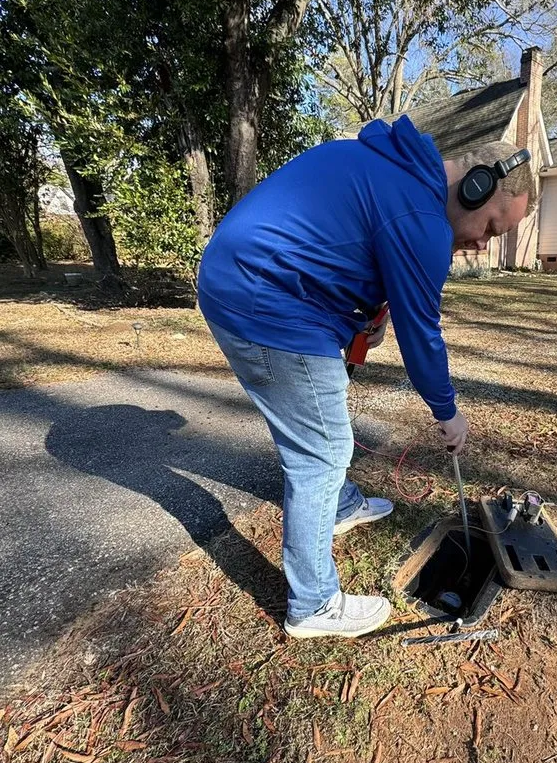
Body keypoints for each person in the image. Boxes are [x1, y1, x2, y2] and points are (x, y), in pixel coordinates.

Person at [197, 115, 535, 639]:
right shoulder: (422, 218)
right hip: (263, 300)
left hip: (241, 281)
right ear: (476, 189)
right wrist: (447, 411)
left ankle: (339, 506)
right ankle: (313, 605)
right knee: (322, 451)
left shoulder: (392, 166)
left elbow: (346, 243)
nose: (483, 244)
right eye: (492, 228)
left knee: (320, 421)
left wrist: (366, 317)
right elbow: (422, 335)